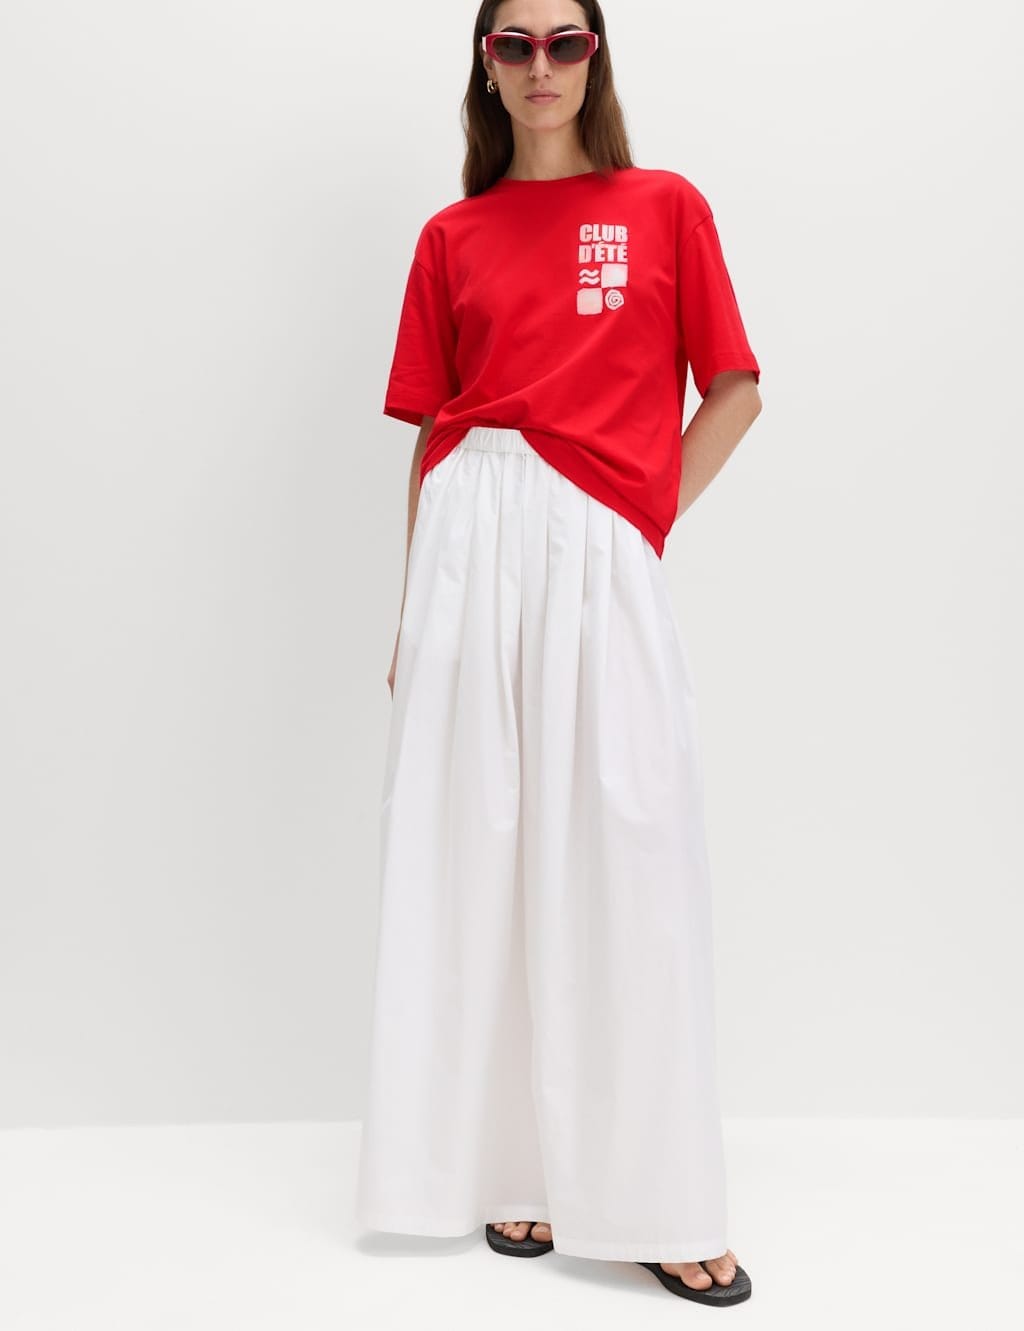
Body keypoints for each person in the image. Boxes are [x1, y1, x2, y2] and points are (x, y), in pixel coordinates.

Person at [355, 0, 762, 1308]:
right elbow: (434, 431)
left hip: (597, 548)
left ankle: (660, 1197)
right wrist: (412, 611)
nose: (541, 65)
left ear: (596, 58)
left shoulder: (663, 207)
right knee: (476, 858)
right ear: (486, 66)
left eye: (565, 41)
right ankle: (514, 1172)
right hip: (467, 546)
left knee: (628, 855)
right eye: (514, 44)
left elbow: (736, 388)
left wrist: (637, 521)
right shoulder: (452, 236)